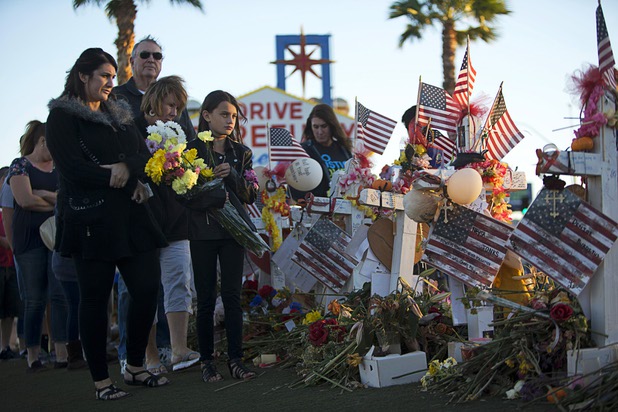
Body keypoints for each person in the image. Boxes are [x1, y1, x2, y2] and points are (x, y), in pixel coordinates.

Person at [46, 47, 169, 400]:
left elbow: (142, 153)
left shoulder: (120, 111)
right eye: (103, 75)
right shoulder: (61, 117)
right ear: (83, 76)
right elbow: (71, 169)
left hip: (131, 216)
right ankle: (101, 380)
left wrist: (126, 169)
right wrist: (114, 173)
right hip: (90, 218)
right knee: (96, 300)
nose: (110, 82)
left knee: (147, 288)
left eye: (113, 76)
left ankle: (133, 366)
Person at [186, 90, 258, 382]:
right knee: (204, 299)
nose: (230, 120)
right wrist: (211, 194)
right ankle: (207, 361)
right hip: (201, 232)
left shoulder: (242, 153)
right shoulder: (190, 150)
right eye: (224, 114)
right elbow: (184, 195)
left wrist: (232, 176)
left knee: (231, 296)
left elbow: (251, 195)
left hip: (233, 232)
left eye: (233, 116)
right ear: (206, 116)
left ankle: (236, 360)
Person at [137, 75, 199, 372]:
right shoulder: (132, 128)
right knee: (144, 291)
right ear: (155, 99)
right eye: (170, 104)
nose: (174, 111)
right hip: (142, 223)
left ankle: (178, 349)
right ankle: (149, 357)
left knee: (180, 284)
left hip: (176, 222)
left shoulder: (181, 134)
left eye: (179, 107)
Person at [7, 121, 68, 372]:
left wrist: (42, 194)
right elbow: (24, 200)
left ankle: (61, 350)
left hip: (56, 239)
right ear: (42, 141)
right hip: (29, 240)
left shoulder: (61, 166)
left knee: (59, 295)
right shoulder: (20, 165)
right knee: (33, 299)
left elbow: (65, 201)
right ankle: (33, 352)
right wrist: (52, 200)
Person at [289, 104, 353, 200]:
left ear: (332, 126)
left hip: (347, 206)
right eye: (315, 127)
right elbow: (295, 187)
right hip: (318, 209)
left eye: (324, 126)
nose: (320, 131)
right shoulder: (304, 150)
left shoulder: (344, 149)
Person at [0, 167, 20, 359]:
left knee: (9, 311)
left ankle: (5, 347)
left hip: (10, 265)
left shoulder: (10, 210)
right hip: (1, 265)